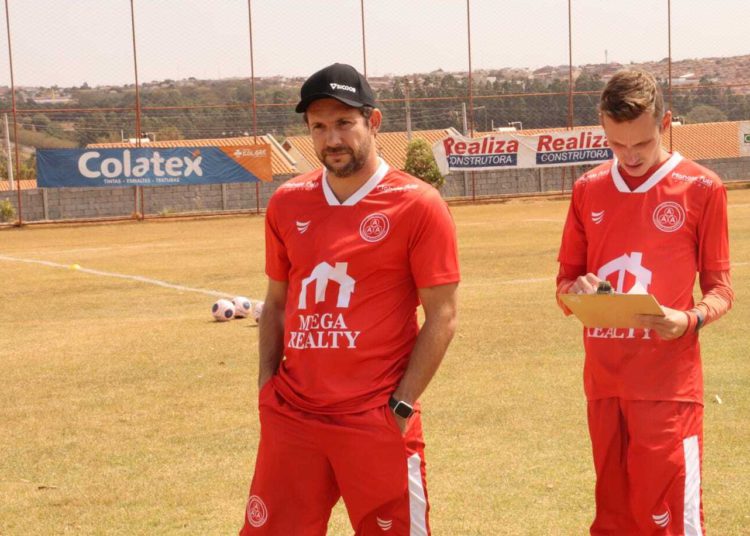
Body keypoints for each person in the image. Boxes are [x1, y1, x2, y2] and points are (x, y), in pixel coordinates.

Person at [239, 63, 460, 535]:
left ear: (373, 122)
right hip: (293, 417)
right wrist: (266, 388)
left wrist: (400, 406)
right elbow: (276, 303)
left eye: (344, 123)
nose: (331, 139)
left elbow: (443, 315)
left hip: (375, 419)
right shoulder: (287, 202)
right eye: (319, 126)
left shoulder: (418, 204)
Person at [556, 69, 733, 535]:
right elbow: (564, 285)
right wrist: (578, 295)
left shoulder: (702, 188)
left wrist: (688, 318)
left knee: (669, 521)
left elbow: (722, 290)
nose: (629, 156)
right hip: (604, 385)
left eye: (641, 143)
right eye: (616, 145)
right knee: (615, 521)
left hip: (668, 389)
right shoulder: (588, 188)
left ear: (666, 122)